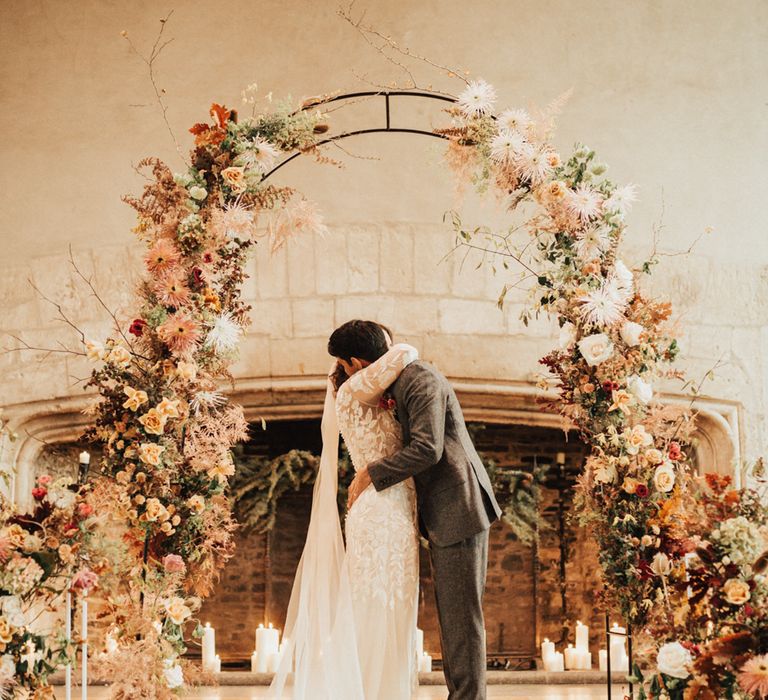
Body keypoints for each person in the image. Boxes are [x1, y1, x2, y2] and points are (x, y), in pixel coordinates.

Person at [272, 320, 500, 700]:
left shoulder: (419, 377)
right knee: (452, 618)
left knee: (462, 619)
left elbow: (429, 449)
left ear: (357, 362)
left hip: (459, 508)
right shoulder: (394, 380)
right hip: (436, 511)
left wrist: (371, 473)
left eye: (345, 366)